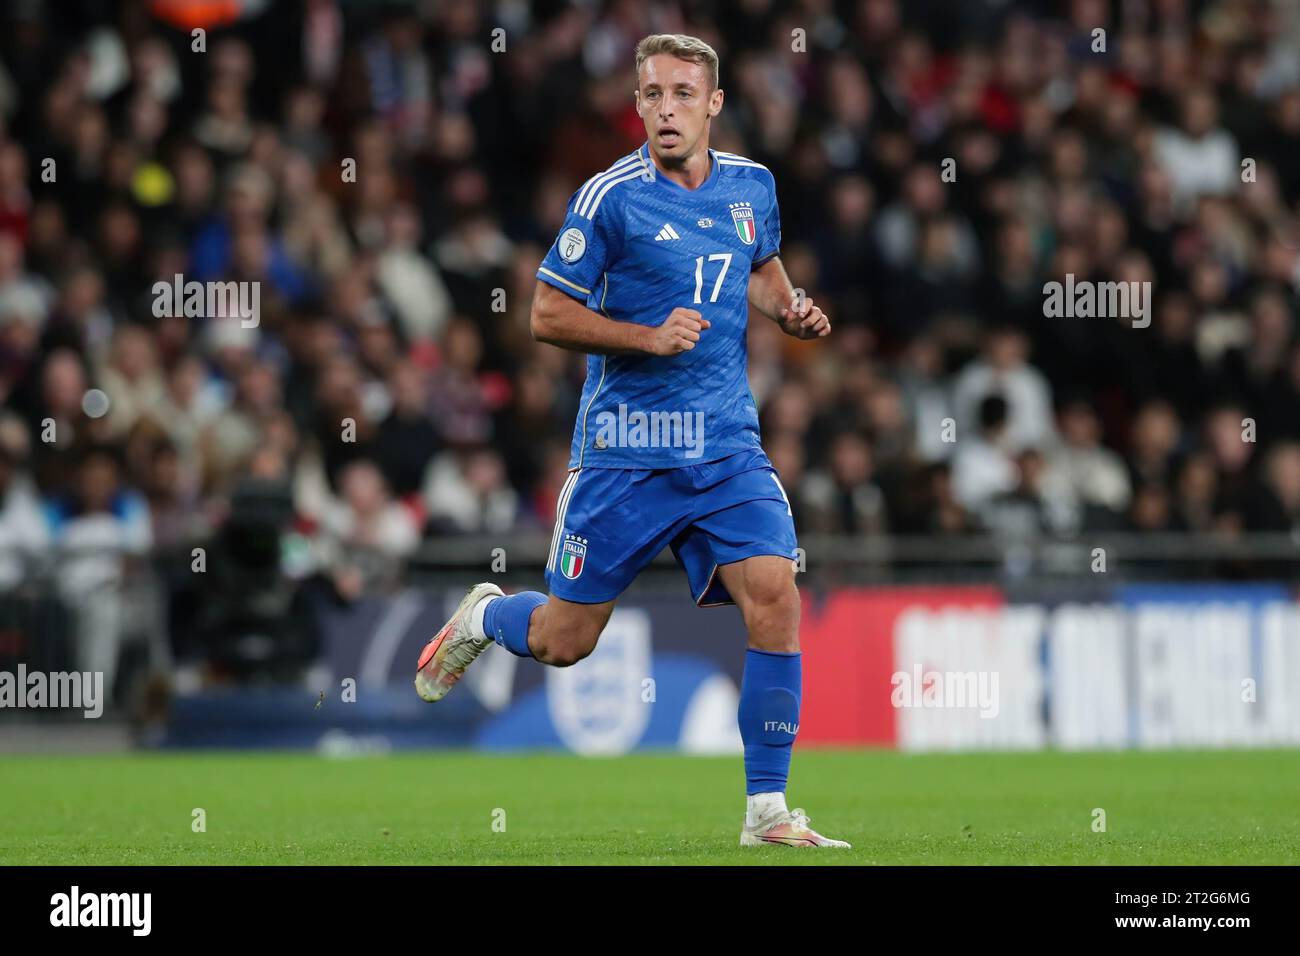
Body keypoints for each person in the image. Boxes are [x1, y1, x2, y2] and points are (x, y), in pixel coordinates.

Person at [414, 34, 846, 849]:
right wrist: (645, 338)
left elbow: (758, 266)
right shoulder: (608, 198)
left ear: (714, 104)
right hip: (626, 449)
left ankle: (768, 813)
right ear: (637, 104)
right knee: (564, 642)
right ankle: (487, 617)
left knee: (775, 593)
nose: (666, 109)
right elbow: (545, 315)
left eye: (684, 93)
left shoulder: (752, 186)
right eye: (651, 94)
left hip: (724, 445)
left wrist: (789, 308)